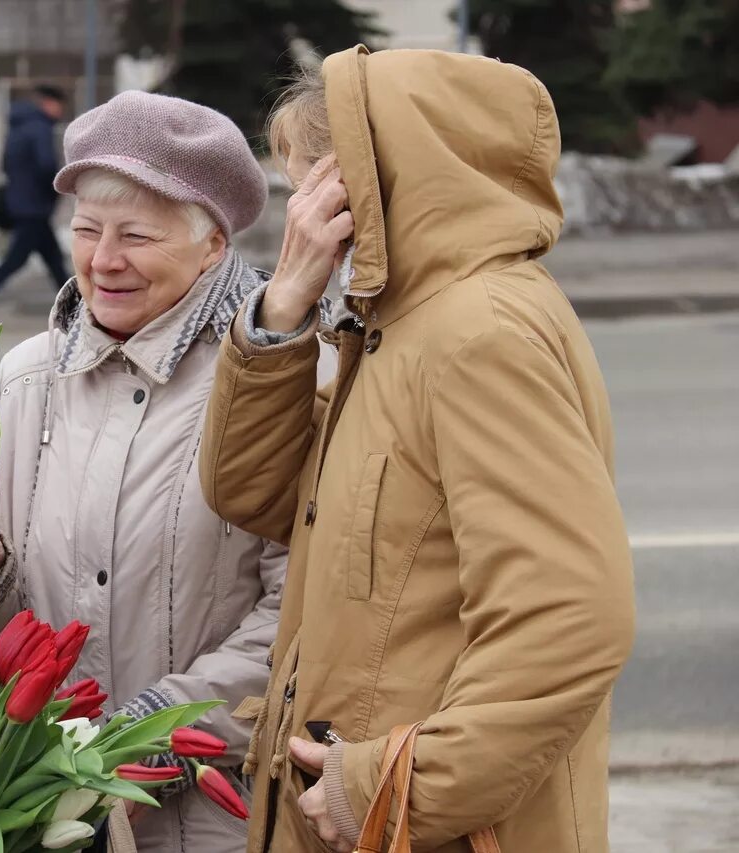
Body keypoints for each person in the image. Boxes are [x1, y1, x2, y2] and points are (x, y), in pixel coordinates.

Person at [200, 47, 636, 853]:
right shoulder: (401, 323)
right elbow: (254, 492)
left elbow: (569, 613)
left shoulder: (476, 331)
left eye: (311, 185)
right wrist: (284, 309)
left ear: (368, 179)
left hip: (421, 827)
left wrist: (387, 788)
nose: (300, 213)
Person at [0, 90, 336, 853]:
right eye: (85, 229)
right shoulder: (24, 379)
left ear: (212, 244)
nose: (102, 260)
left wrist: (143, 735)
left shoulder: (281, 381)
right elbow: (2, 606)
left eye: (136, 236)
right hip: (42, 810)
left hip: (219, 816)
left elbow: (307, 614)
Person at [0, 83, 71, 326]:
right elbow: (46, 166)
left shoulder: (17, 128)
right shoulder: (40, 128)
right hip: (34, 208)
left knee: (54, 263)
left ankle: (74, 312)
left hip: (22, 205)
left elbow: (5, 166)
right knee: (14, 262)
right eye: (58, 105)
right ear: (48, 103)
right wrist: (53, 192)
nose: (60, 110)